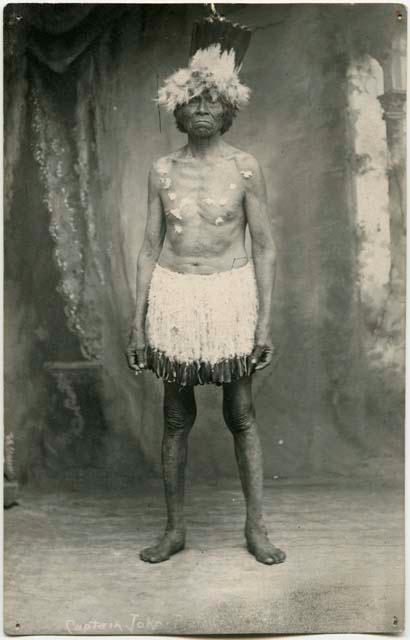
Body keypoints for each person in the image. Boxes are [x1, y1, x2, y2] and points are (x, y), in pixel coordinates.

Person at [126, 19, 286, 566]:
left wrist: (263, 322)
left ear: (227, 109)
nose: (200, 109)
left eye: (211, 101)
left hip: (230, 296)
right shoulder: (161, 170)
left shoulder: (245, 169)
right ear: (176, 110)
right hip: (174, 296)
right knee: (175, 417)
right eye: (191, 100)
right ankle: (174, 530)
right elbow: (149, 248)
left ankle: (256, 527)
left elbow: (264, 246)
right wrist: (137, 321)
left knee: (241, 414)